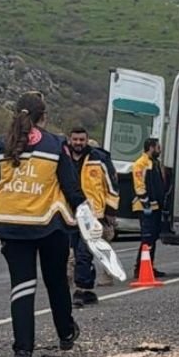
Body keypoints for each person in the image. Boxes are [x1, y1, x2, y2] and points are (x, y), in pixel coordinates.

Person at [0, 92, 86, 357]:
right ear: (43, 117)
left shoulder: (0, 145)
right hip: (48, 225)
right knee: (56, 281)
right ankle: (66, 332)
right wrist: (88, 214)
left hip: (11, 225)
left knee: (22, 288)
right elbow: (70, 186)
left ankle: (22, 352)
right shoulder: (56, 144)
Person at [67, 127, 119, 306]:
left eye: (82, 140)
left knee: (83, 252)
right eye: (75, 139)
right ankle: (86, 289)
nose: (78, 143)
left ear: (87, 140)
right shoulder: (63, 159)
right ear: (70, 139)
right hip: (68, 214)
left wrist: (110, 212)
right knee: (71, 253)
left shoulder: (99, 158)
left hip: (92, 214)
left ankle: (81, 291)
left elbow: (112, 185)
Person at [131, 137, 167, 277]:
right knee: (147, 237)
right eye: (158, 147)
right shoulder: (141, 164)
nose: (160, 150)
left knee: (152, 238)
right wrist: (145, 201)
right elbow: (139, 184)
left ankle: (149, 265)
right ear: (151, 147)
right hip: (144, 207)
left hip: (155, 206)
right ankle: (140, 268)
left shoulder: (155, 163)